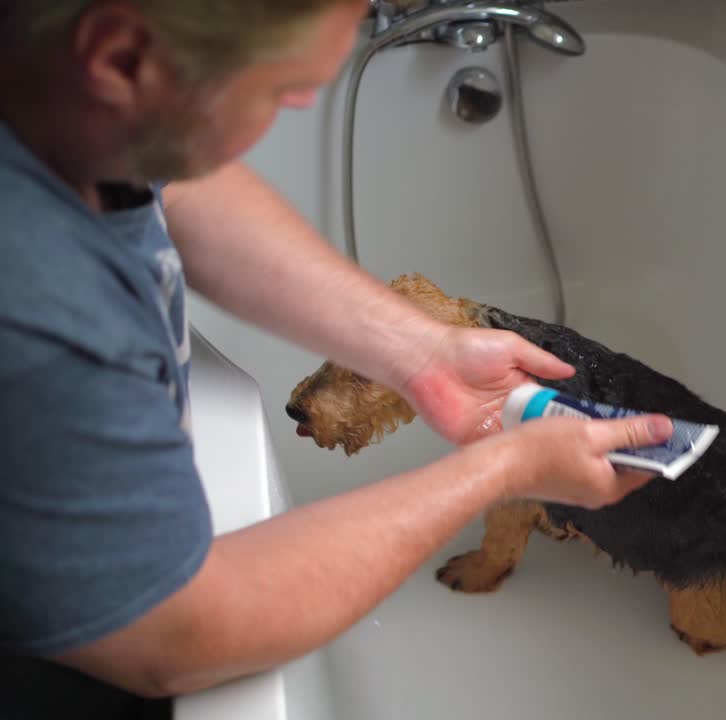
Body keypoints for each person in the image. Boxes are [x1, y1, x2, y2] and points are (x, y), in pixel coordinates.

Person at [0, 1, 674, 717]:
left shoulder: (65, 107)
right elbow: (176, 632)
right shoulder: (42, 303)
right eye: (280, 87)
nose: (303, 104)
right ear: (118, 58)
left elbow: (181, 185)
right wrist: (504, 470)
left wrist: (423, 351)